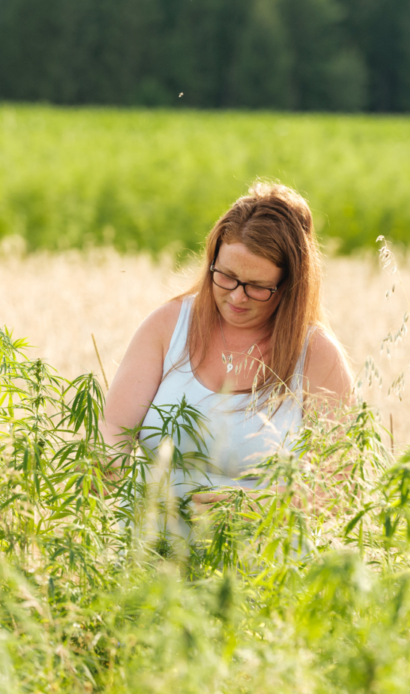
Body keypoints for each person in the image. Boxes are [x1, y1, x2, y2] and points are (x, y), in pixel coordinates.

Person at [99, 182, 353, 518]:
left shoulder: (317, 356)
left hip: (260, 565)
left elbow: (339, 488)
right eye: (227, 276)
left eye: (257, 287)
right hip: (149, 557)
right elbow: (111, 438)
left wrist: (254, 506)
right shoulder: (167, 327)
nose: (236, 297)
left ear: (290, 286)